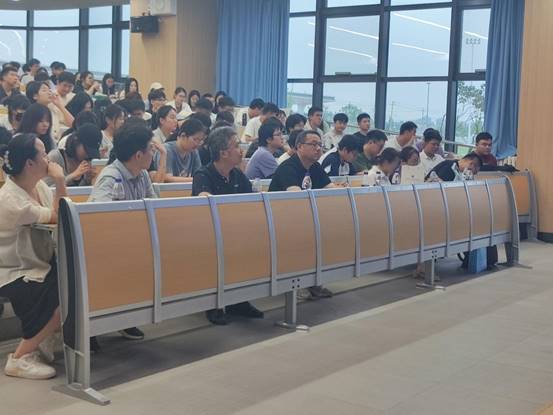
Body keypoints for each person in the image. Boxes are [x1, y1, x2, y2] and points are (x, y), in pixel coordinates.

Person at [0, 133, 67, 379]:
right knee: (63, 298)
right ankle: (19, 358)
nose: (48, 159)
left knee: (75, 283)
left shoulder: (38, 186)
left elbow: (60, 211)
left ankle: (42, 338)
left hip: (39, 261)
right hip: (15, 269)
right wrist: (60, 180)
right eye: (43, 154)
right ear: (29, 163)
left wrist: (56, 184)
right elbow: (60, 215)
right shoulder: (10, 199)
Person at [88, 119, 161, 341]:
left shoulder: (143, 175)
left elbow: (154, 207)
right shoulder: (110, 177)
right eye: (151, 149)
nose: (153, 154)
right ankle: (90, 330)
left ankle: (126, 319)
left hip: (131, 243)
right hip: (103, 248)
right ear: (138, 155)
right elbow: (97, 218)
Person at [192, 126, 264, 325]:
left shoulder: (237, 175)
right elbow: (205, 201)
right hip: (208, 234)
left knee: (249, 247)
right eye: (237, 145)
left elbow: (251, 202)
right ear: (223, 153)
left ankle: (238, 301)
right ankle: (213, 305)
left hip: (235, 232)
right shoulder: (203, 174)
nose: (241, 150)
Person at [269, 130, 336, 300]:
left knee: (324, 235)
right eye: (313, 144)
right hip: (280, 222)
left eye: (320, 145)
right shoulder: (288, 167)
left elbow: (331, 190)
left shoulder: (315, 167)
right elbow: (296, 198)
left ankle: (314, 282)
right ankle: (294, 285)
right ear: (299, 146)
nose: (318, 148)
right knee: (300, 239)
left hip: (304, 219)